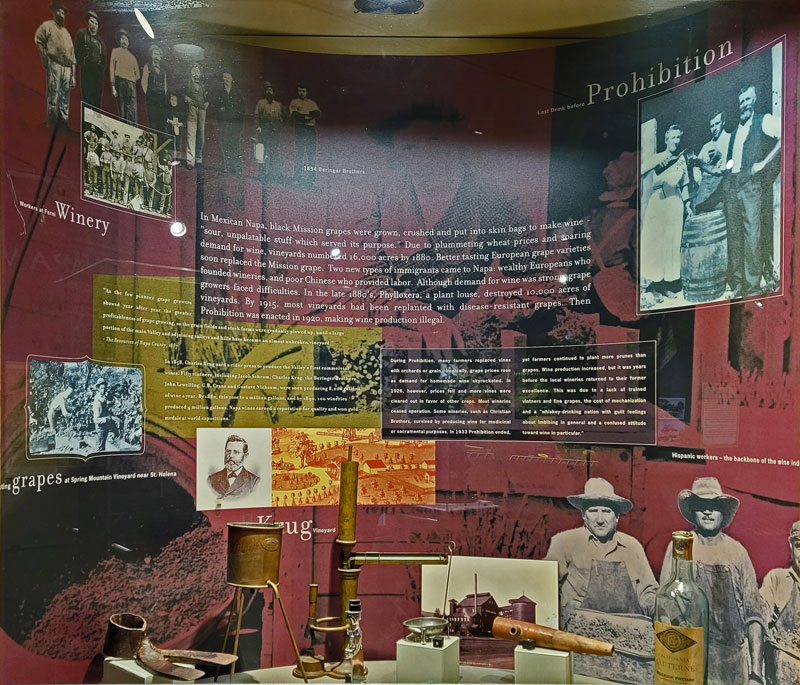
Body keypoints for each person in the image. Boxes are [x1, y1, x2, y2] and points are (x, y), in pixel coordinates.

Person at [660, 476, 768, 685]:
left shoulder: (737, 553)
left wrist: (756, 675)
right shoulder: (681, 547)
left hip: (731, 665)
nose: (708, 511)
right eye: (701, 505)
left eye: (714, 506)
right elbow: (665, 605)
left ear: (723, 512)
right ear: (693, 510)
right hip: (689, 658)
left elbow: (754, 615)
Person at [544, 477, 658, 626]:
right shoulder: (565, 542)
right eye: (593, 511)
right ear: (583, 515)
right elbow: (546, 587)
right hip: (577, 630)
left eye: (606, 511)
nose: (599, 519)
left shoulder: (632, 547)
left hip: (626, 631)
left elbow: (648, 592)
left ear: (617, 516)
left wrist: (656, 608)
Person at [724, 84, 781, 296]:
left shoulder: (763, 120)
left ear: (754, 99)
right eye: (741, 102)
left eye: (747, 100)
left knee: (752, 236)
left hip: (751, 185)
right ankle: (738, 284)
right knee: (734, 236)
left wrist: (764, 163)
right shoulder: (734, 132)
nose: (744, 105)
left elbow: (787, 132)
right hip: (733, 186)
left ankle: (752, 287)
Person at [640, 123, 691, 298]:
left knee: (672, 244)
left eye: (678, 138)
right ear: (666, 139)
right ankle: (654, 285)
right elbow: (640, 171)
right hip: (659, 204)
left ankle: (667, 284)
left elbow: (684, 184)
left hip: (675, 204)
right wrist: (657, 165)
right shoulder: (658, 158)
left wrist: (688, 205)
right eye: (673, 137)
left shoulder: (682, 160)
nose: (676, 141)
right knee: (657, 244)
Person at [760, 521, 800, 685]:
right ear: (791, 547)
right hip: (778, 676)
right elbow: (758, 615)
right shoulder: (777, 579)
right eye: (799, 546)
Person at [34, 0, 75, 130]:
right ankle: (52, 124)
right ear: (54, 12)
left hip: (67, 67)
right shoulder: (47, 26)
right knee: (53, 95)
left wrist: (73, 75)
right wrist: (44, 57)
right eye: (59, 11)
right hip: (55, 64)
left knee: (65, 97)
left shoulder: (66, 32)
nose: (61, 14)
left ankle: (64, 124)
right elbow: (38, 40)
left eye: (63, 13)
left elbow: (72, 55)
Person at [691, 110, 731, 213]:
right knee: (701, 213)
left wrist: (721, 156)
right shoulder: (706, 146)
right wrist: (699, 180)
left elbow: (733, 162)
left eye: (717, 124)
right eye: (712, 126)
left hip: (721, 184)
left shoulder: (730, 139)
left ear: (723, 122)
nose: (714, 128)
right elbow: (696, 166)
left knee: (720, 215)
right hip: (705, 185)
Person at [207, 434, 260, 499]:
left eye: (236, 452)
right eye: (228, 451)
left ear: (245, 455)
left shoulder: (254, 482)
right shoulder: (211, 480)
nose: (231, 455)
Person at [289, 83, 321, 184]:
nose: (301, 93)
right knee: (299, 153)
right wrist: (308, 116)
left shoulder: (312, 103)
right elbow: (295, 115)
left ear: (307, 92)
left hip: (311, 129)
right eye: (300, 91)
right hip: (300, 129)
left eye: (303, 91)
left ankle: (311, 180)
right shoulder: (294, 102)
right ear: (297, 92)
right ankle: (297, 178)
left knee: (311, 154)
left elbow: (317, 113)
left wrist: (303, 115)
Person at [214, 70, 245, 173]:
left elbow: (242, 108)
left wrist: (240, 124)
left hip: (235, 123)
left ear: (232, 79)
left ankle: (238, 168)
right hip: (225, 123)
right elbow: (217, 106)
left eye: (228, 77)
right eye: (224, 77)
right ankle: (228, 167)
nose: (226, 79)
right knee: (226, 145)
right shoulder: (220, 92)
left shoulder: (237, 92)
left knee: (235, 146)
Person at [74, 10, 105, 109]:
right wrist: (83, 62)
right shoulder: (82, 34)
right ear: (88, 22)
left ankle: (96, 118)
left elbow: (104, 58)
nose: (94, 25)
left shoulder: (100, 41)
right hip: (87, 69)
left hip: (98, 72)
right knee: (87, 97)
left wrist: (100, 69)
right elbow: (77, 50)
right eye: (92, 21)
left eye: (96, 23)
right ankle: (86, 118)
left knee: (97, 98)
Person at [110, 29, 140, 123]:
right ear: (119, 40)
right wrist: (113, 86)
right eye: (122, 38)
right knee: (122, 107)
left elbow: (138, 75)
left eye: (126, 39)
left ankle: (132, 128)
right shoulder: (115, 51)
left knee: (132, 109)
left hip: (131, 85)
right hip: (120, 82)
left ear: (128, 42)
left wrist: (130, 79)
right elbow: (112, 68)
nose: (124, 41)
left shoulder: (132, 57)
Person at [254, 80, 283, 179]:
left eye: (271, 90)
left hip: (274, 131)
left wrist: (279, 127)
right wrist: (258, 126)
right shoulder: (260, 103)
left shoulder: (278, 104)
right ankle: (261, 173)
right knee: (262, 151)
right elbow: (256, 116)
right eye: (267, 90)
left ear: (273, 92)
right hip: (264, 130)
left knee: (274, 152)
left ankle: (272, 174)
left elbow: (281, 118)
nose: (269, 92)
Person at [184, 62, 208, 168]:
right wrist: (186, 98)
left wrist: (207, 103)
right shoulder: (187, 82)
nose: (196, 72)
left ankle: (199, 159)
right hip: (192, 110)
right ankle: (190, 161)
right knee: (191, 134)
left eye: (198, 71)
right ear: (191, 72)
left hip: (202, 110)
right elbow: (180, 92)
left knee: (201, 134)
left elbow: (208, 96)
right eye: (194, 70)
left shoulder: (203, 84)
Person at [141, 44, 167, 132]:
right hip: (151, 97)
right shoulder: (147, 66)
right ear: (151, 55)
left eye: (158, 54)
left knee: (161, 120)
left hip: (161, 98)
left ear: (160, 57)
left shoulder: (163, 71)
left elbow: (165, 85)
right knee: (152, 119)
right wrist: (148, 94)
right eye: (155, 54)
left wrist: (163, 95)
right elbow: (144, 82)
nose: (157, 56)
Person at [92, 379, 119, 450]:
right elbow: (96, 420)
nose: (103, 390)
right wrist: (110, 418)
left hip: (104, 426)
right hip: (100, 427)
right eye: (101, 388)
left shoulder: (102, 398)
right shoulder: (97, 402)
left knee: (102, 447)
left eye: (104, 388)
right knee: (100, 448)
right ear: (98, 389)